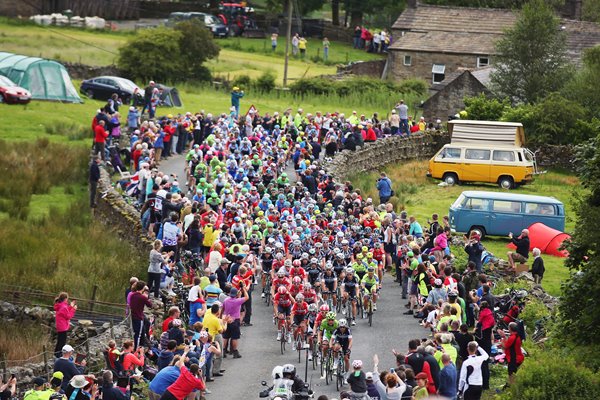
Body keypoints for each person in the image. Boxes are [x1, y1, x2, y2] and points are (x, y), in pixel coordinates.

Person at [222, 285, 249, 359]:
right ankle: (235, 352)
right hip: (235, 320)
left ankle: (223, 351)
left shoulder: (226, 300)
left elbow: (222, 308)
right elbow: (247, 297)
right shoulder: (237, 301)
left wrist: (221, 318)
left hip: (227, 319)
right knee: (235, 337)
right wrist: (244, 288)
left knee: (225, 336)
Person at [499, 322, 524, 387]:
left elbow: (505, 346)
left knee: (511, 374)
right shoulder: (517, 336)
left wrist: (502, 338)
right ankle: (509, 385)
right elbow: (509, 344)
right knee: (513, 373)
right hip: (519, 357)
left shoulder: (512, 337)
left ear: (510, 329)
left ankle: (511, 388)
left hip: (514, 359)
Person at [129, 281, 153, 349]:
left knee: (141, 332)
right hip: (139, 317)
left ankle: (141, 347)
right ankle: (136, 349)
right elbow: (150, 305)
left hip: (133, 315)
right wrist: (147, 298)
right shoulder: (142, 297)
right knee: (138, 334)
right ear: (143, 288)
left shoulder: (132, 295)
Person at [54, 292, 77, 357]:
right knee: (62, 341)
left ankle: (56, 353)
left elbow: (65, 311)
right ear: (65, 299)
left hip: (60, 325)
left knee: (60, 340)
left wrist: (71, 306)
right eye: (67, 298)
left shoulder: (60, 305)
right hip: (63, 326)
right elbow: (68, 316)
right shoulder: (63, 306)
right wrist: (73, 309)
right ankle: (59, 354)